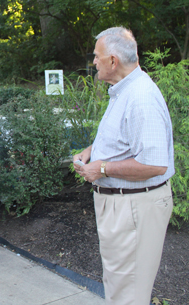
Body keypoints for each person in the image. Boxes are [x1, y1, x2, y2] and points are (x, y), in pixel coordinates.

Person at [74, 27, 174, 305]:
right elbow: (122, 137)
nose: (93, 61)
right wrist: (91, 151)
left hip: (134, 207)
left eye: (96, 56)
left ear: (113, 61)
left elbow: (155, 164)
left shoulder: (141, 97)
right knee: (120, 285)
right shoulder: (124, 91)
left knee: (129, 293)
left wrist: (102, 168)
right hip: (124, 206)